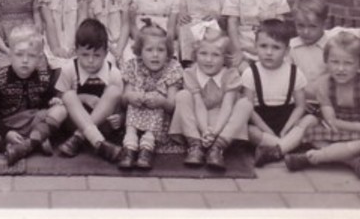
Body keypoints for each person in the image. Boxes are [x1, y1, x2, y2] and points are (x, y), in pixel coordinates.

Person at [287, 28, 360, 180]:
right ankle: (352, 160)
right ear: (326, 61)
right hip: (341, 125)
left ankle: (317, 157)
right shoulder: (324, 84)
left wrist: (357, 127)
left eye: (348, 63)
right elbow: (331, 120)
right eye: (334, 62)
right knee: (311, 134)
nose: (340, 68)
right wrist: (354, 127)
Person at [0, 24, 67, 165]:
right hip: (8, 125)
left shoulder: (43, 77)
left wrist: (53, 102)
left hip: (34, 123)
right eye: (19, 54)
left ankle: (27, 145)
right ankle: (34, 142)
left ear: (40, 58)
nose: (25, 60)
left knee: (60, 110)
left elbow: (46, 103)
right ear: (10, 55)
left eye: (31, 56)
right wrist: (6, 133)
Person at [168, 21, 252, 170]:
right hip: (196, 122)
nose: (208, 59)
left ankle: (218, 147)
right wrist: (205, 130)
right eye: (203, 53)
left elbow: (227, 106)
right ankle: (195, 145)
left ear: (225, 57)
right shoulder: (190, 73)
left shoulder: (230, 75)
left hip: (222, 122)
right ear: (195, 55)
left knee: (245, 104)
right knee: (182, 95)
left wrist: (214, 133)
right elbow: (198, 104)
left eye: (215, 55)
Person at [242, 20, 313, 167]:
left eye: (276, 48)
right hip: (261, 120)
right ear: (256, 47)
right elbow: (248, 109)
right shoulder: (250, 73)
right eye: (263, 46)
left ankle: (275, 151)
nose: (269, 52)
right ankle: (286, 148)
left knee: (310, 120)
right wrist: (267, 131)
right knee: (247, 130)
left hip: (287, 119)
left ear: (286, 51)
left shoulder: (295, 72)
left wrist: (287, 128)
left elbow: (300, 106)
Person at [56, 19, 124, 163]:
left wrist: (120, 118)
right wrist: (84, 97)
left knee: (114, 91)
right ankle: (98, 142)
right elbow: (58, 100)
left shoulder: (113, 73)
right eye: (85, 55)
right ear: (76, 52)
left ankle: (80, 137)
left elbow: (120, 106)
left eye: (97, 55)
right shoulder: (69, 69)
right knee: (68, 95)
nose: (91, 61)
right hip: (74, 123)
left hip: (102, 125)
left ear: (106, 53)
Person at [118, 21, 183, 170]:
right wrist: (130, 97)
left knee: (155, 96)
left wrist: (161, 102)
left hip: (160, 127)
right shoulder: (133, 66)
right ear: (140, 51)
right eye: (149, 50)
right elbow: (123, 99)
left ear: (168, 52)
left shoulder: (172, 68)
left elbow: (172, 105)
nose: (155, 55)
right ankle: (129, 146)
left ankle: (146, 149)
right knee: (136, 97)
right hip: (134, 122)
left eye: (161, 50)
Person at [289, 0, 330, 103]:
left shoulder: (331, 47)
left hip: (325, 101)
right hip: (296, 100)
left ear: (324, 24)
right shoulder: (291, 47)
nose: (306, 32)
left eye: (312, 26)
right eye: (300, 26)